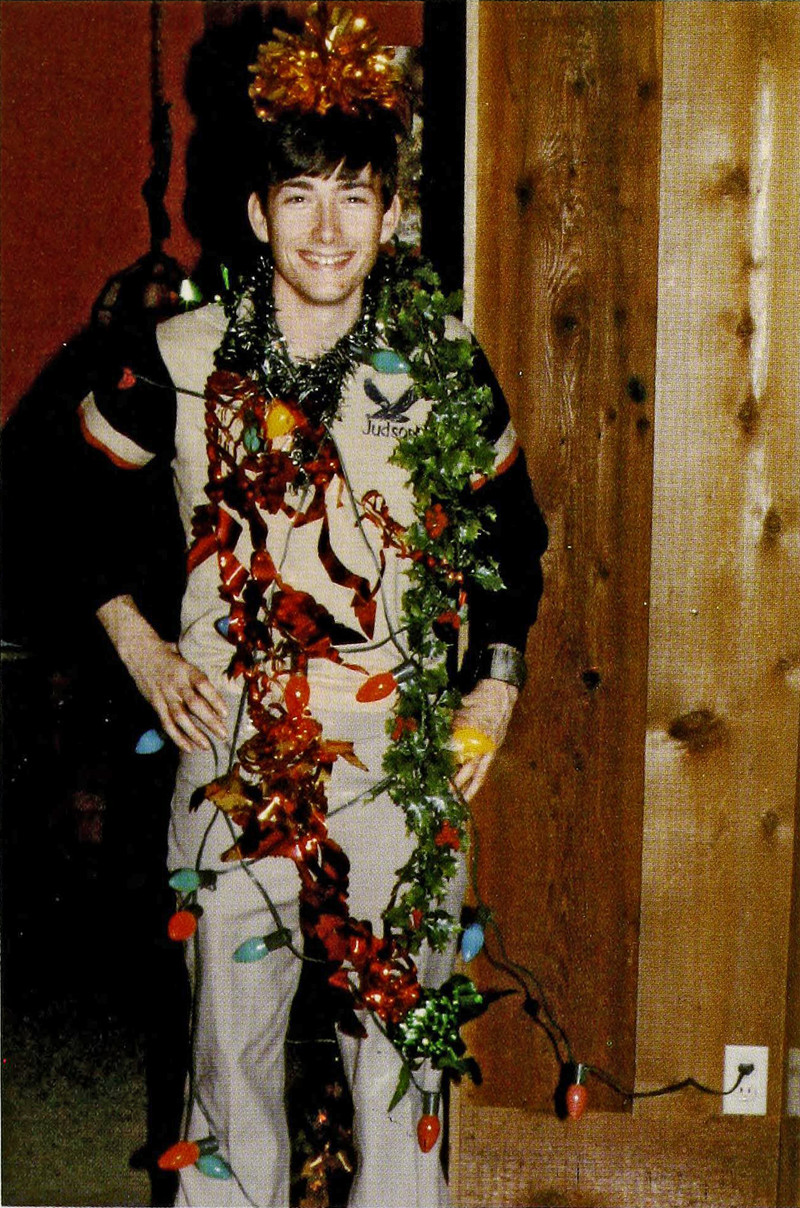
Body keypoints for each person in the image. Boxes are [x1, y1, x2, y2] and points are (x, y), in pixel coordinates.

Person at [78, 6, 547, 1206]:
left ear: (389, 216)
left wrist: (492, 687)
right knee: (227, 1058)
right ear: (256, 213)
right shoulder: (172, 356)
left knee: (399, 1055)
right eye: (299, 197)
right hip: (233, 751)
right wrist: (139, 642)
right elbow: (60, 505)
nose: (327, 229)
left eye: (353, 197)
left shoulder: (440, 361)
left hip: (399, 763)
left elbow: (512, 534)